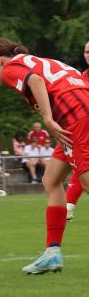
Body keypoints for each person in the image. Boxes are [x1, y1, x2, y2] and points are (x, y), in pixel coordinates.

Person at [0, 37, 89, 274]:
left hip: (74, 115)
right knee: (51, 180)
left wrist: (49, 120)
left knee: (86, 181)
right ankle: (52, 252)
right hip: (78, 111)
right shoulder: (38, 60)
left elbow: (37, 81)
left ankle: (52, 253)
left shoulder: (12, 67)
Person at [65, 39, 89, 220]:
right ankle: (68, 206)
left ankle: (68, 207)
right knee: (81, 166)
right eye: (87, 52)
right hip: (83, 126)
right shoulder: (82, 77)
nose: (88, 55)